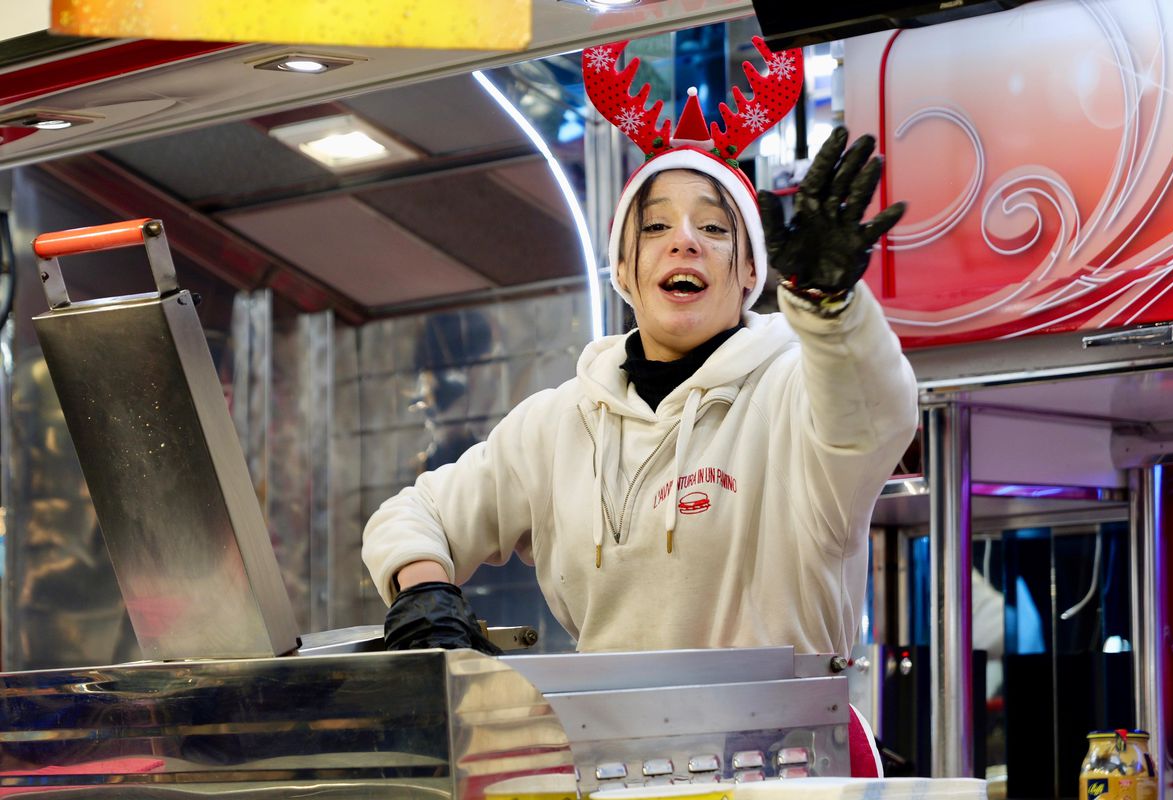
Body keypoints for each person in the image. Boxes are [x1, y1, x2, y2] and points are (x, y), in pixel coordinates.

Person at [362, 39, 916, 661]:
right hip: (610, 750)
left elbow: (874, 415)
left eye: (713, 227)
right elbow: (415, 512)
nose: (683, 241)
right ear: (624, 271)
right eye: (654, 226)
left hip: (789, 750)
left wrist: (829, 304)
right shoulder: (556, 425)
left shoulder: (793, 396)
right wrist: (424, 593)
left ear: (748, 274)